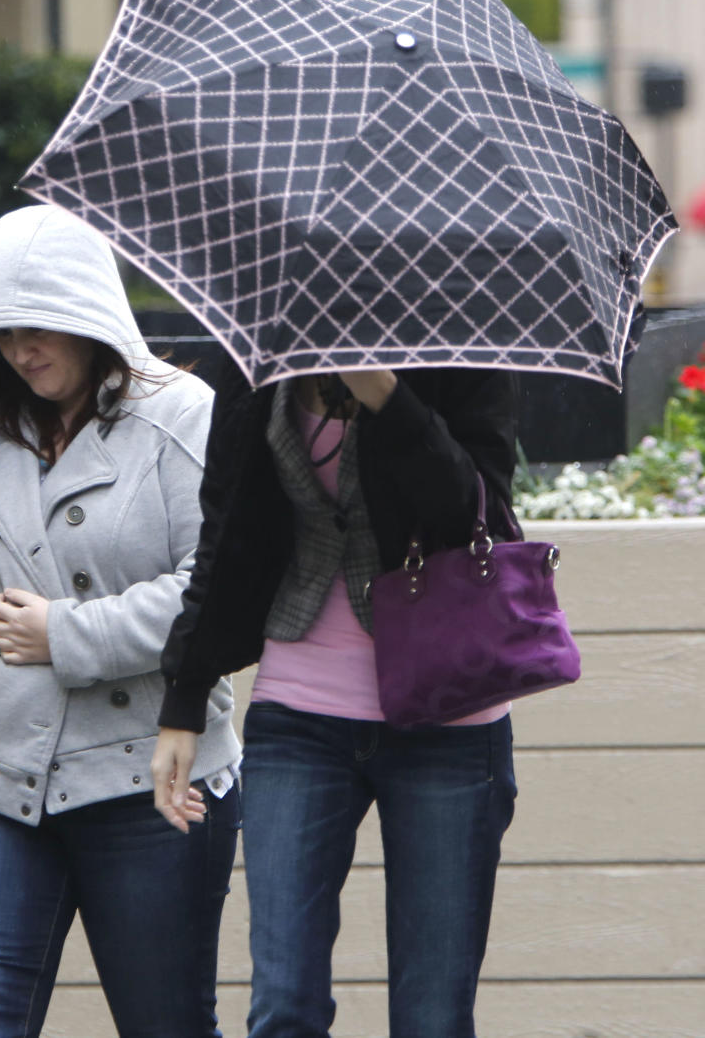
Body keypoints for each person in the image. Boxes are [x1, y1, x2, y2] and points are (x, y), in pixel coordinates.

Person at [0, 205, 241, 1038]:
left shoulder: (180, 414)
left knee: (168, 1026)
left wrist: (69, 635)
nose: (21, 349)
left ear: (90, 313)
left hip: (145, 776)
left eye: (41, 326)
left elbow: (218, 588)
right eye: (3, 330)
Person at [152, 359, 519, 1038]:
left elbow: (479, 514)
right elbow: (225, 528)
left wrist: (383, 393)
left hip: (449, 714)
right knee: (283, 1005)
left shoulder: (462, 349)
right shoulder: (261, 354)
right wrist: (185, 693)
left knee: (433, 1018)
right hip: (300, 711)